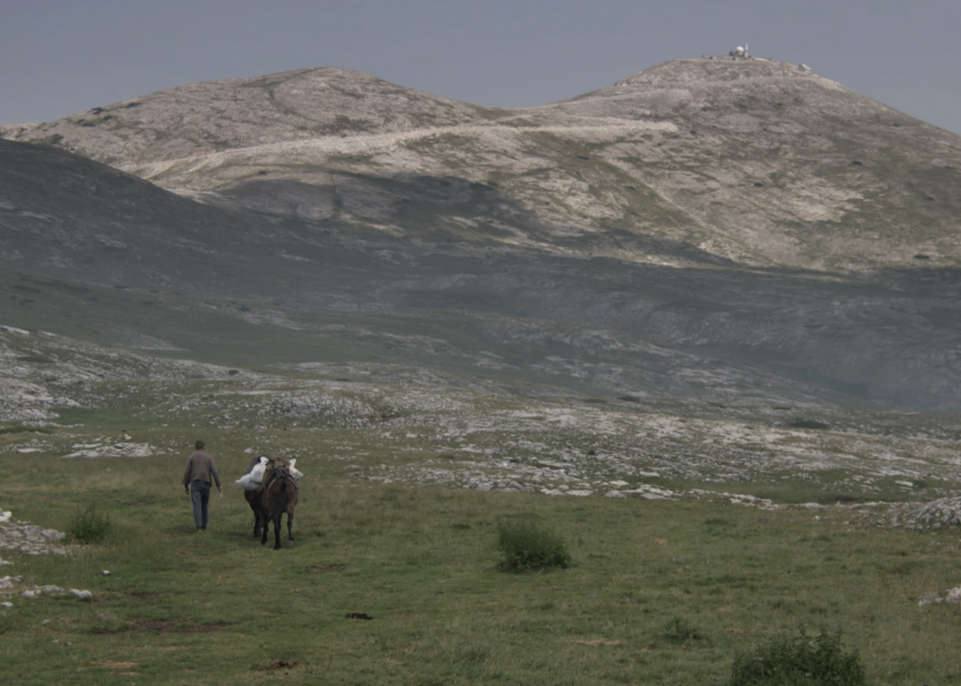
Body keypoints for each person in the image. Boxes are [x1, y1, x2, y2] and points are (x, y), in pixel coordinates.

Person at [182, 440, 222, 532]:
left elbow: (187, 472)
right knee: (205, 504)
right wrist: (218, 485)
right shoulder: (209, 457)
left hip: (195, 483)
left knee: (197, 504)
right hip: (206, 483)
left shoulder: (192, 457)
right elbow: (215, 472)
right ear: (204, 447)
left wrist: (186, 485)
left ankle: (198, 527)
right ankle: (204, 525)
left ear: (195, 448)